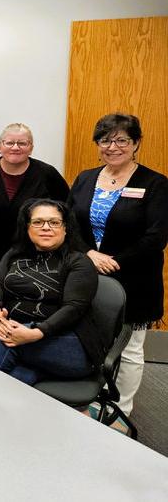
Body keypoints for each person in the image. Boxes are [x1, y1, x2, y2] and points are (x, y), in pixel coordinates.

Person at [69, 113, 168, 417]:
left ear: (136, 143)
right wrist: (88, 253)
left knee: (131, 348)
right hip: (89, 275)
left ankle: (121, 412)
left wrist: (113, 260)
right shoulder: (86, 177)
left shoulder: (155, 184)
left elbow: (157, 236)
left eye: (122, 139)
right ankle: (94, 398)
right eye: (105, 140)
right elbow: (69, 222)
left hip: (135, 279)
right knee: (92, 342)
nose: (112, 146)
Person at [0, 199, 104, 386]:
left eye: (54, 222)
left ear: (65, 228)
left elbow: (74, 308)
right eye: (38, 222)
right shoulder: (16, 253)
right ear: (27, 227)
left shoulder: (79, 262)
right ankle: (34, 379)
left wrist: (35, 333)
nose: (46, 227)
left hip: (71, 343)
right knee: (17, 378)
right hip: (24, 337)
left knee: (4, 342)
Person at [0, 123, 69, 289]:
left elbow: (67, 214)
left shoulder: (47, 174)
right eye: (9, 143)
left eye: (22, 143)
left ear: (31, 148)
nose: (15, 147)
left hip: (39, 259)